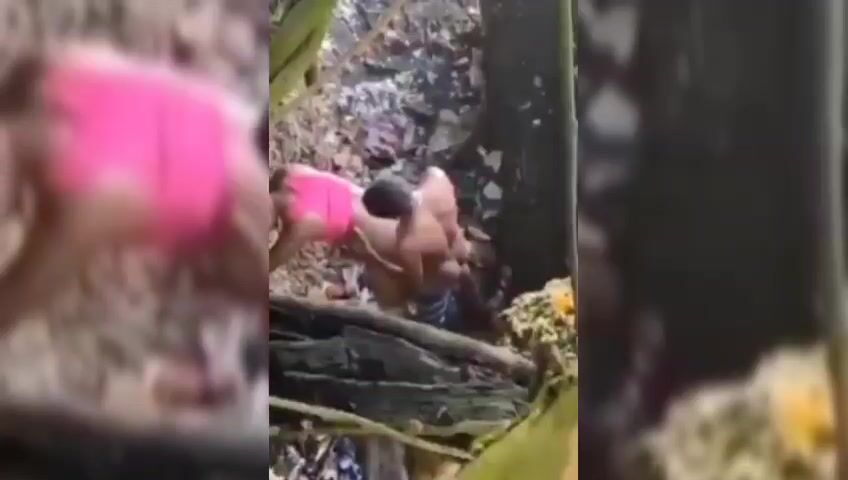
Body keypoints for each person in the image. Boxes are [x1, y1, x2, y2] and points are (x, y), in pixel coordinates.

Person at [361, 169, 480, 328]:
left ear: (389, 216)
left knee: (434, 314)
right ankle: (480, 315)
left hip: (442, 277)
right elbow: (433, 172)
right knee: (470, 297)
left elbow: (414, 284)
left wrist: (374, 258)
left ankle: (458, 325)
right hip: (461, 250)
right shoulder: (437, 180)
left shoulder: (408, 243)